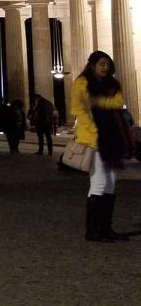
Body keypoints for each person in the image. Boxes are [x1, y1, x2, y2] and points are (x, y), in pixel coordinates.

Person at [69, 51, 131, 243]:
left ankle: (105, 229)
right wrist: (94, 127)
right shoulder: (81, 83)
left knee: (111, 183)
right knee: (99, 182)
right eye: (101, 63)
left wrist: (98, 102)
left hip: (113, 136)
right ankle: (92, 230)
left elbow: (119, 102)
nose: (105, 67)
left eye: (107, 64)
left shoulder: (112, 84)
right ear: (92, 64)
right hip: (95, 137)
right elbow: (77, 109)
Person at [29, 92, 56, 156]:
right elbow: (52, 112)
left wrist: (34, 109)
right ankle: (50, 151)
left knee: (41, 138)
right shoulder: (49, 103)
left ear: (37, 98)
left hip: (41, 122)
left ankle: (40, 151)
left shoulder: (40, 103)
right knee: (48, 137)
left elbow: (38, 112)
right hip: (48, 123)